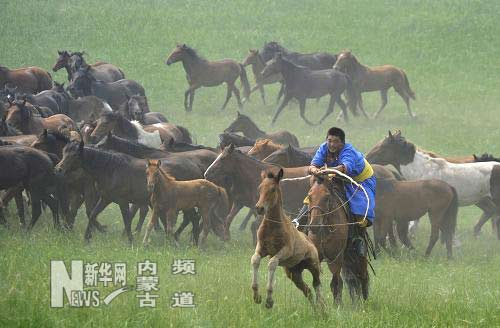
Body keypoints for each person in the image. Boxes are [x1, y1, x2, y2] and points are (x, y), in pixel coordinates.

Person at [293, 127, 376, 257]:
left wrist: (328, 170)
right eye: (329, 141)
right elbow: (313, 164)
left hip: (359, 181)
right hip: (336, 176)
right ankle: (298, 220)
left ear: (342, 143)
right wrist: (315, 170)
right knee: (315, 195)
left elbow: (344, 167)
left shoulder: (349, 151)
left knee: (359, 207)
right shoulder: (323, 148)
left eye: (335, 141)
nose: (332, 144)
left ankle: (358, 239)